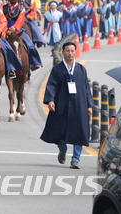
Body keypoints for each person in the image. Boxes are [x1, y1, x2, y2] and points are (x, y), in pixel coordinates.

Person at [40, 41, 93, 169]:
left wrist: (89, 105)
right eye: (67, 51)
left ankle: (75, 159)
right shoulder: (57, 69)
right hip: (62, 104)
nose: (70, 53)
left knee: (79, 132)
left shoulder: (81, 69)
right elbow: (51, 85)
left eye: (72, 51)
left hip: (79, 105)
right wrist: (51, 100)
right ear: (62, 52)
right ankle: (62, 150)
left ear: (76, 52)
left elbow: (86, 88)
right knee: (61, 130)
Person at [1, 0, 43, 71]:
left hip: (18, 30)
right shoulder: (3, 8)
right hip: (5, 30)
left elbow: (20, 20)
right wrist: (5, 29)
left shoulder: (21, 8)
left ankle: (34, 62)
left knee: (30, 45)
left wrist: (14, 28)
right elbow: (2, 19)